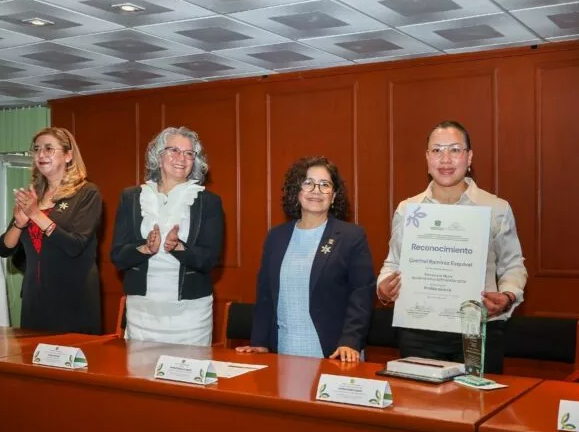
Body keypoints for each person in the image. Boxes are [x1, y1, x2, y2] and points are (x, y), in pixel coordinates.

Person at [376, 120, 528, 374]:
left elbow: (512, 265)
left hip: (479, 330)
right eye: (436, 150)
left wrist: (508, 296)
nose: (445, 159)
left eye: (455, 150)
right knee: (419, 405)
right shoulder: (408, 209)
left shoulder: (496, 208)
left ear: (469, 157)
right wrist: (383, 287)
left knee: (477, 408)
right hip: (419, 329)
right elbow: (393, 261)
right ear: (427, 158)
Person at [237, 156, 375, 362]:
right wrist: (259, 343)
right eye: (308, 183)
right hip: (284, 351)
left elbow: (361, 295)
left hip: (336, 353)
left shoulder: (350, 237)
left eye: (325, 185)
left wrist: (350, 341)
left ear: (334, 195)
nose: (316, 191)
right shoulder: (276, 237)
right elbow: (265, 295)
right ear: (297, 191)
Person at [110, 127, 224, 346]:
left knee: (187, 377)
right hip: (142, 313)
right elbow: (118, 256)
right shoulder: (131, 198)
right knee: (139, 378)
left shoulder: (208, 201)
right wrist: (145, 249)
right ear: (159, 156)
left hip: (190, 316)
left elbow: (210, 260)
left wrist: (179, 248)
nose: (182, 158)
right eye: (174, 150)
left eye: (189, 153)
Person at [0, 127, 102, 334]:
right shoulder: (33, 195)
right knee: (32, 362)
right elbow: (4, 249)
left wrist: (35, 215)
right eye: (36, 149)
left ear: (69, 155)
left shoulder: (87, 193)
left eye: (48, 149)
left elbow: (75, 246)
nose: (41, 154)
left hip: (73, 297)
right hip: (34, 298)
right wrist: (19, 223)